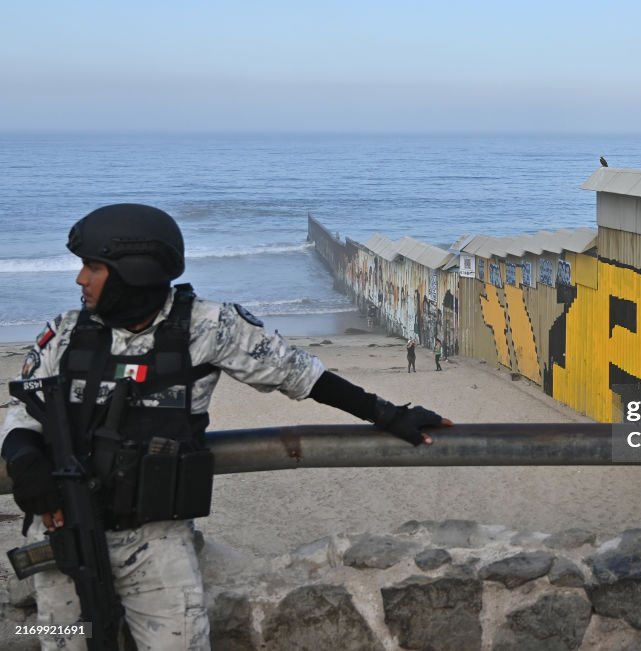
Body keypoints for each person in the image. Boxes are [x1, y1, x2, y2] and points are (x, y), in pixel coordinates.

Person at [0, 203, 453, 651]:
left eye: (93, 268)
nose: (80, 279)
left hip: (156, 544)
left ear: (132, 272)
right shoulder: (64, 333)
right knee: (56, 640)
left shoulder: (208, 326)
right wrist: (24, 461)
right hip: (63, 534)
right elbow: (23, 413)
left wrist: (388, 415)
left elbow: (301, 375)